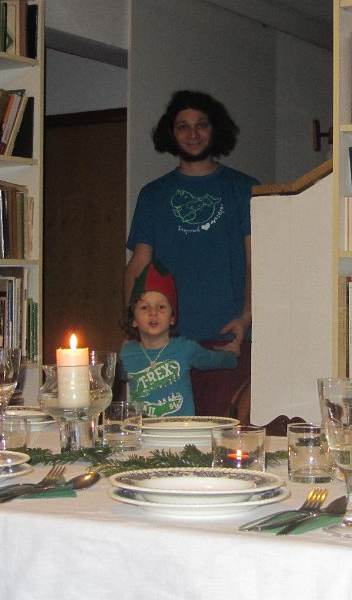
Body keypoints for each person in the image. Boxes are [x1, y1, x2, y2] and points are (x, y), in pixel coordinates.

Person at [123, 90, 258, 417]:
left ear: (215, 130)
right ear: (171, 133)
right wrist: (131, 325)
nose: (193, 134)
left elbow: (257, 262)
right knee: (167, 432)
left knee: (224, 430)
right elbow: (139, 264)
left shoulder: (245, 189)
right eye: (183, 126)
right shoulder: (153, 194)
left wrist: (247, 316)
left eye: (201, 125)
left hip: (229, 340)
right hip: (165, 343)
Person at [120, 261, 239, 418]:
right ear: (133, 319)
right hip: (143, 430)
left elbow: (214, 360)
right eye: (144, 307)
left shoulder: (185, 348)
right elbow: (111, 381)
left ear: (172, 318)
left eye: (161, 307)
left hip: (182, 429)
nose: (153, 312)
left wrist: (233, 353)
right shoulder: (127, 353)